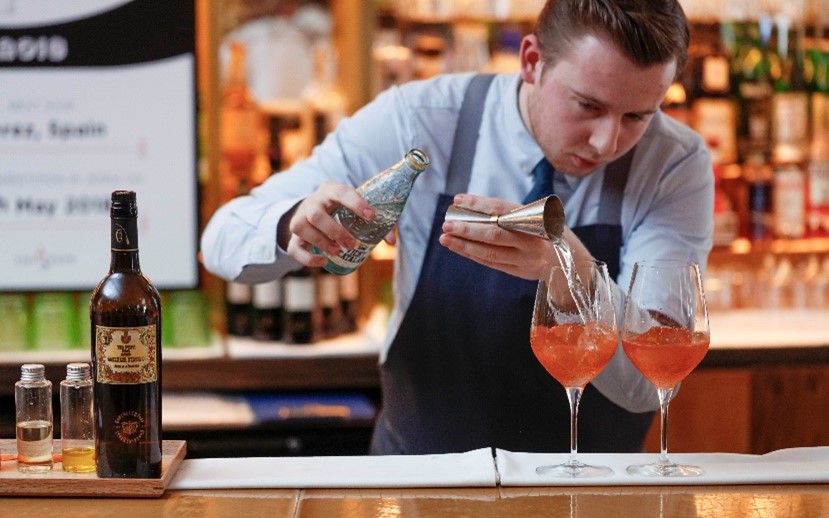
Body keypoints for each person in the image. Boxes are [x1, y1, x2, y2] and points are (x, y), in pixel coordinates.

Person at [201, 0, 714, 455]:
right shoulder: (421, 120)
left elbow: (652, 381)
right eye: (589, 106)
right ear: (532, 61)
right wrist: (294, 219)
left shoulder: (674, 163)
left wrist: (574, 271)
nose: (606, 142)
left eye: (637, 117)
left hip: (596, 499)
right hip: (422, 486)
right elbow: (221, 240)